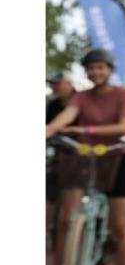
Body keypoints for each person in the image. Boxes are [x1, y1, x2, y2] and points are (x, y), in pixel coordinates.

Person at [45, 49, 125, 265]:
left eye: (101, 67)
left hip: (117, 157)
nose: (96, 72)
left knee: (119, 225)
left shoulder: (123, 94)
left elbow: (124, 126)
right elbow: (69, 114)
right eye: (91, 68)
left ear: (109, 69)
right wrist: (49, 129)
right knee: (66, 219)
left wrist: (85, 131)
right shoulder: (82, 97)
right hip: (86, 158)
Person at [46, 71, 77, 249]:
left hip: (81, 158)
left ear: (69, 83)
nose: (54, 87)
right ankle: (48, 231)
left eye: (57, 83)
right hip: (58, 156)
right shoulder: (52, 105)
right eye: (52, 83)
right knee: (49, 191)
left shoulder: (81, 100)